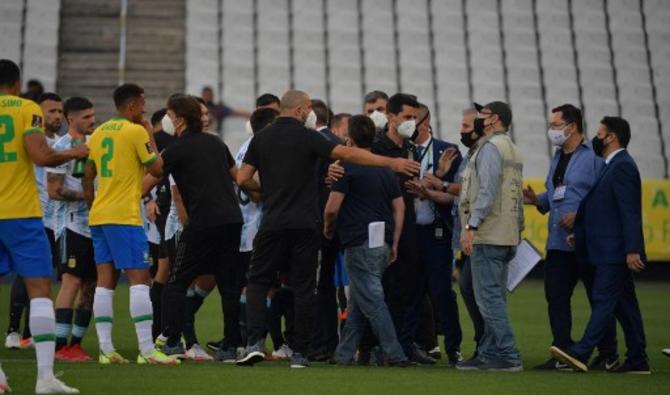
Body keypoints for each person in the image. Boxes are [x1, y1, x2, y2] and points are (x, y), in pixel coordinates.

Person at [235, 89, 420, 368]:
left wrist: (269, 190)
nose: (310, 112)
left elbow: (242, 178)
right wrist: (391, 162)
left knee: (258, 281)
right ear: (299, 110)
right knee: (304, 286)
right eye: (308, 107)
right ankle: (300, 353)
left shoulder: (261, 138)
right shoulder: (310, 137)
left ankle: (254, 343)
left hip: (272, 221)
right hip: (306, 223)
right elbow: (348, 153)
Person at [0, 58, 87, 394]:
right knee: (39, 291)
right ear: (17, 84)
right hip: (20, 212)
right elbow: (41, 156)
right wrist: (75, 152)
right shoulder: (26, 110)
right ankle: (45, 378)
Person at [145, 95, 247, 364]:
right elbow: (239, 177)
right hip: (232, 218)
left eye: (169, 114)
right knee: (229, 286)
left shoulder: (177, 149)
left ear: (178, 119)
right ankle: (230, 346)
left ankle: (171, 341)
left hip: (203, 222)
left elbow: (149, 179)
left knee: (176, 282)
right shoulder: (216, 142)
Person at [83, 83, 176, 365]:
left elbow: (87, 176)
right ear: (133, 106)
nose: (145, 109)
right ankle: (147, 351)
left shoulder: (98, 133)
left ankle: (106, 350)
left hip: (99, 214)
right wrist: (150, 134)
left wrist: (93, 207)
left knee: (104, 282)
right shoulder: (136, 131)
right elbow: (158, 169)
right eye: (143, 104)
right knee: (139, 281)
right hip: (124, 215)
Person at [523, 105, 619, 371]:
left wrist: (580, 216)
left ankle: (608, 353)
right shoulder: (557, 156)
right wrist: (537, 200)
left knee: (597, 296)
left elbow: (603, 198)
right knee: (555, 296)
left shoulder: (594, 158)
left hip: (586, 240)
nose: (551, 130)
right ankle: (563, 352)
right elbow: (557, 195)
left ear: (572, 126)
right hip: (557, 240)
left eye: (555, 125)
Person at [551, 116, 650, 374]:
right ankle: (638, 360)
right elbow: (601, 211)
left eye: (600, 133)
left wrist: (632, 249)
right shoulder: (611, 166)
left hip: (614, 252)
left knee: (604, 299)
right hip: (608, 249)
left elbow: (629, 212)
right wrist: (581, 235)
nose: (596, 138)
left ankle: (581, 351)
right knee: (625, 307)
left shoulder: (622, 167)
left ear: (612, 137)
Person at [324, 115, 411, 367]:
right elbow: (399, 207)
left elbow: (332, 207)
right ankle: (343, 355)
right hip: (381, 241)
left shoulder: (345, 166)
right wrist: (394, 242)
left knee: (371, 300)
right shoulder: (385, 169)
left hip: (358, 239)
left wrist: (329, 229)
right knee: (359, 302)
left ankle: (395, 354)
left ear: (348, 139)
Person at [456, 101, 524, 372]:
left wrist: (471, 226)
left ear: (494, 119)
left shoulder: (490, 148)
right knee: (486, 292)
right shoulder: (513, 148)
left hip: (488, 232)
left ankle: (507, 355)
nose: (478, 119)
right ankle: (487, 352)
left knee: (489, 298)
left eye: (482, 115)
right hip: (506, 232)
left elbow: (486, 191)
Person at [5, 92, 63, 350]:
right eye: (51, 111)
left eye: (59, 111)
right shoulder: (36, 138)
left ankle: (29, 332)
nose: (56, 116)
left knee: (40, 276)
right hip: (29, 211)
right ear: (38, 114)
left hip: (53, 218)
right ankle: (13, 330)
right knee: (28, 274)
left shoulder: (58, 142)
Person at [47, 97, 98, 362]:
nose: (92, 120)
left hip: (95, 225)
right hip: (71, 224)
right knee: (72, 281)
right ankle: (58, 347)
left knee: (91, 284)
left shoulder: (95, 144)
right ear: (71, 119)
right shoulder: (61, 148)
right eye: (86, 117)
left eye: (93, 115)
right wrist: (89, 196)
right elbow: (55, 192)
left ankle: (75, 345)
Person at [311, 98, 343, 362]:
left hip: (321, 224)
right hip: (336, 225)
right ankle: (329, 342)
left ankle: (323, 343)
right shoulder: (337, 142)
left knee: (320, 286)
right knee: (328, 286)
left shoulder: (319, 144)